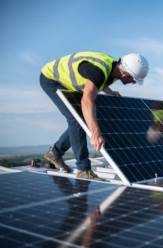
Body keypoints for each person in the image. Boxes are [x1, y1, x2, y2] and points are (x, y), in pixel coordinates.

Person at [40, 51, 149, 179]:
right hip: (51, 78)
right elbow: (87, 100)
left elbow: (99, 82)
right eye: (133, 79)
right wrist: (95, 132)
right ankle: (83, 169)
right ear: (125, 73)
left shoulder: (114, 68)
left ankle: (55, 153)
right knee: (76, 119)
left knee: (86, 119)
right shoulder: (99, 71)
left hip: (68, 82)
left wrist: (110, 92)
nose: (133, 82)